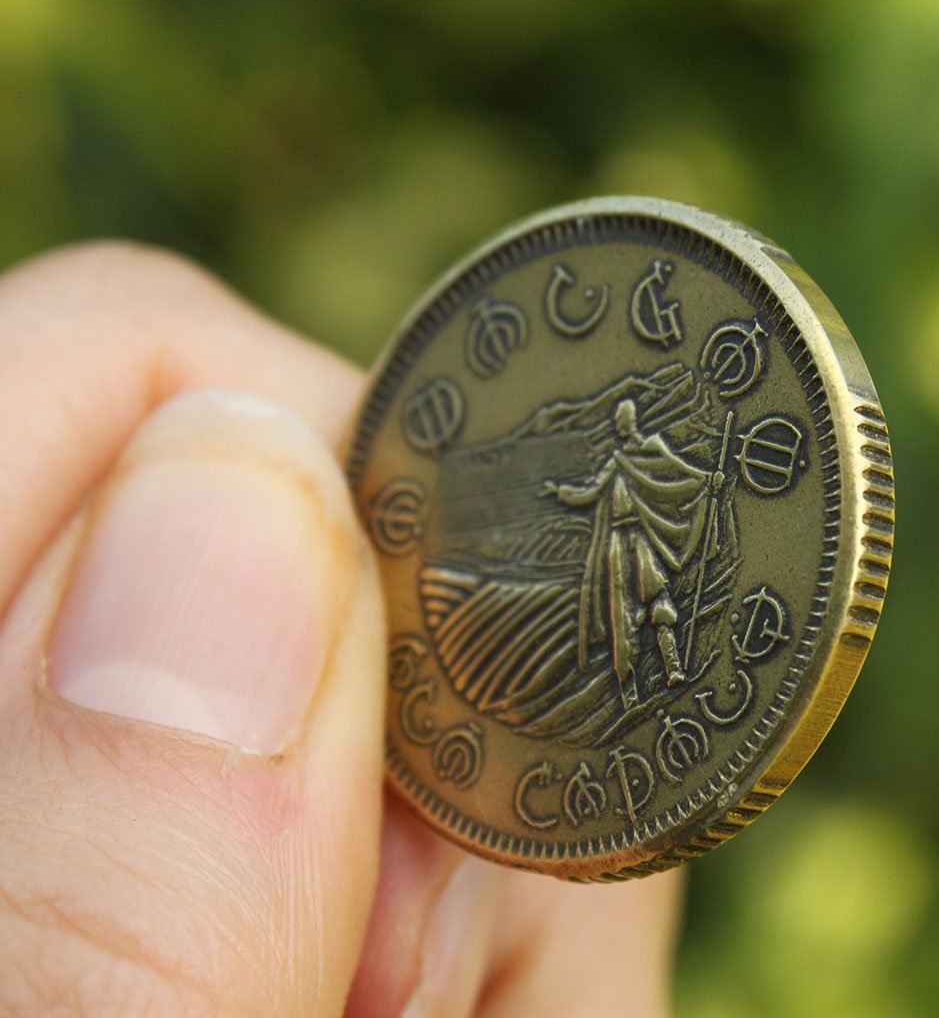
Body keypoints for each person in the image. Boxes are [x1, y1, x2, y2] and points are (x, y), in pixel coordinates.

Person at [0, 243, 680, 1016]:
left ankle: (642, 662)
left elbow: (649, 477)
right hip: (606, 554)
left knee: (635, 614)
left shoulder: (645, 457)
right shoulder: (617, 463)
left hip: (630, 551)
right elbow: (594, 484)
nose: (621, 426)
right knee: (610, 622)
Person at [542, 398, 709, 708]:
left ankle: (673, 669)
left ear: (630, 422)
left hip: (640, 537)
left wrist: (705, 482)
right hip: (618, 543)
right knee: (622, 616)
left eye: (622, 420)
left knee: (658, 600)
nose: (620, 426)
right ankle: (629, 695)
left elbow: (677, 473)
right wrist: (561, 493)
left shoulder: (651, 450)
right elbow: (590, 493)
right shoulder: (616, 461)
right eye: (619, 420)